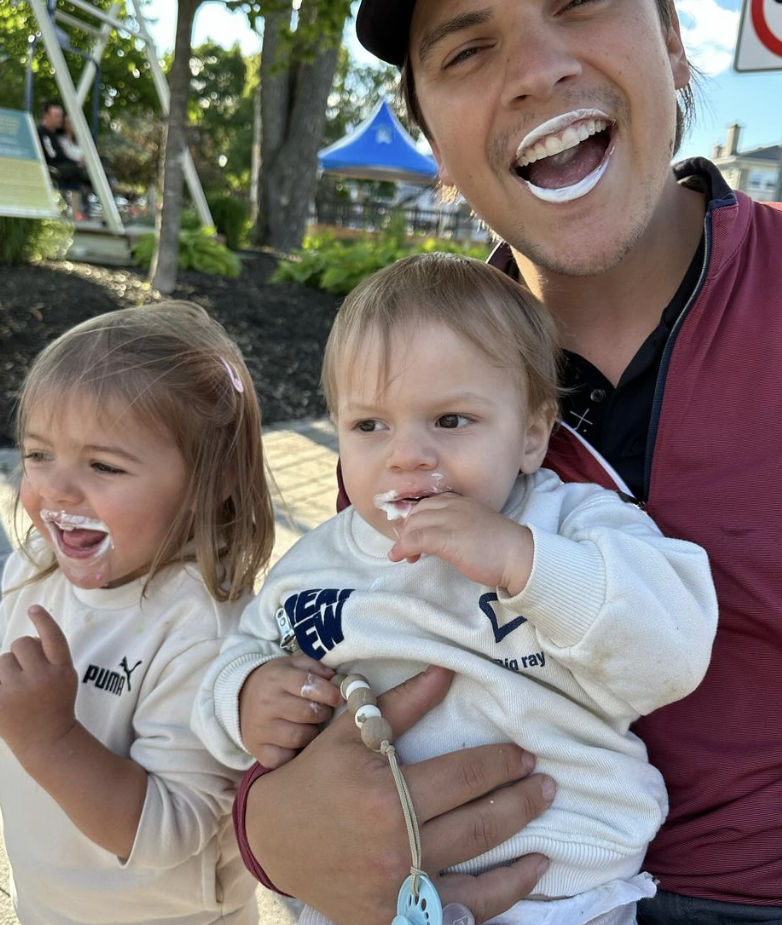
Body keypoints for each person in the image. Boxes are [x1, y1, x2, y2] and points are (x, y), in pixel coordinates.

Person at [235, 0, 782, 923]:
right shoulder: (410, 386)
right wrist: (269, 828)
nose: (536, 69)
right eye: (467, 48)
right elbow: (345, 644)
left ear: (673, 44)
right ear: (430, 137)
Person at [197, 253, 716, 925]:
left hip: (563, 889)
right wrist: (244, 696)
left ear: (532, 434)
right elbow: (236, 657)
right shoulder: (317, 565)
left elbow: (670, 650)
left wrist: (525, 561)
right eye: (369, 425)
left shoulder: (571, 525)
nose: (406, 454)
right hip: (367, 891)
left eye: (449, 421)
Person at [0, 301, 274, 925]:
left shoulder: (207, 629)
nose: (56, 490)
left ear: (214, 478)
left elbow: (167, 832)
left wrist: (49, 737)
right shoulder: (37, 566)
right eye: (38, 454)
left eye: (103, 465)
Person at [37, 101, 93, 214]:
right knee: (87, 172)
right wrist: (76, 163)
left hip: (62, 168)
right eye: (57, 116)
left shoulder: (55, 134)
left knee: (89, 172)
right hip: (51, 170)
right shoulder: (43, 133)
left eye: (61, 116)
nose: (60, 119)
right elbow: (53, 157)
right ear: (46, 115)